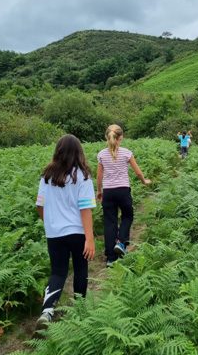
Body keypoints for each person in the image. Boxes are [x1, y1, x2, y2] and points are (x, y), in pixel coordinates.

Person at [35, 134, 96, 329]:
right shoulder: (83, 176)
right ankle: (79, 310)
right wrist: (90, 238)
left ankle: (47, 312)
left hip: (54, 233)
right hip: (77, 232)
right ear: (79, 152)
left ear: (58, 151)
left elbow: (39, 206)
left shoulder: (47, 176)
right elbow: (84, 209)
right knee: (80, 269)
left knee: (58, 272)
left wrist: (50, 222)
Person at [96, 124, 151, 267]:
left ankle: (110, 259)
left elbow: (99, 177)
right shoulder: (126, 153)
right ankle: (121, 242)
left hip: (108, 192)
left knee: (110, 222)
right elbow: (138, 172)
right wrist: (144, 181)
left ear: (107, 137)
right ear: (121, 137)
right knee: (127, 216)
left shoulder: (101, 154)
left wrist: (99, 191)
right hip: (123, 190)